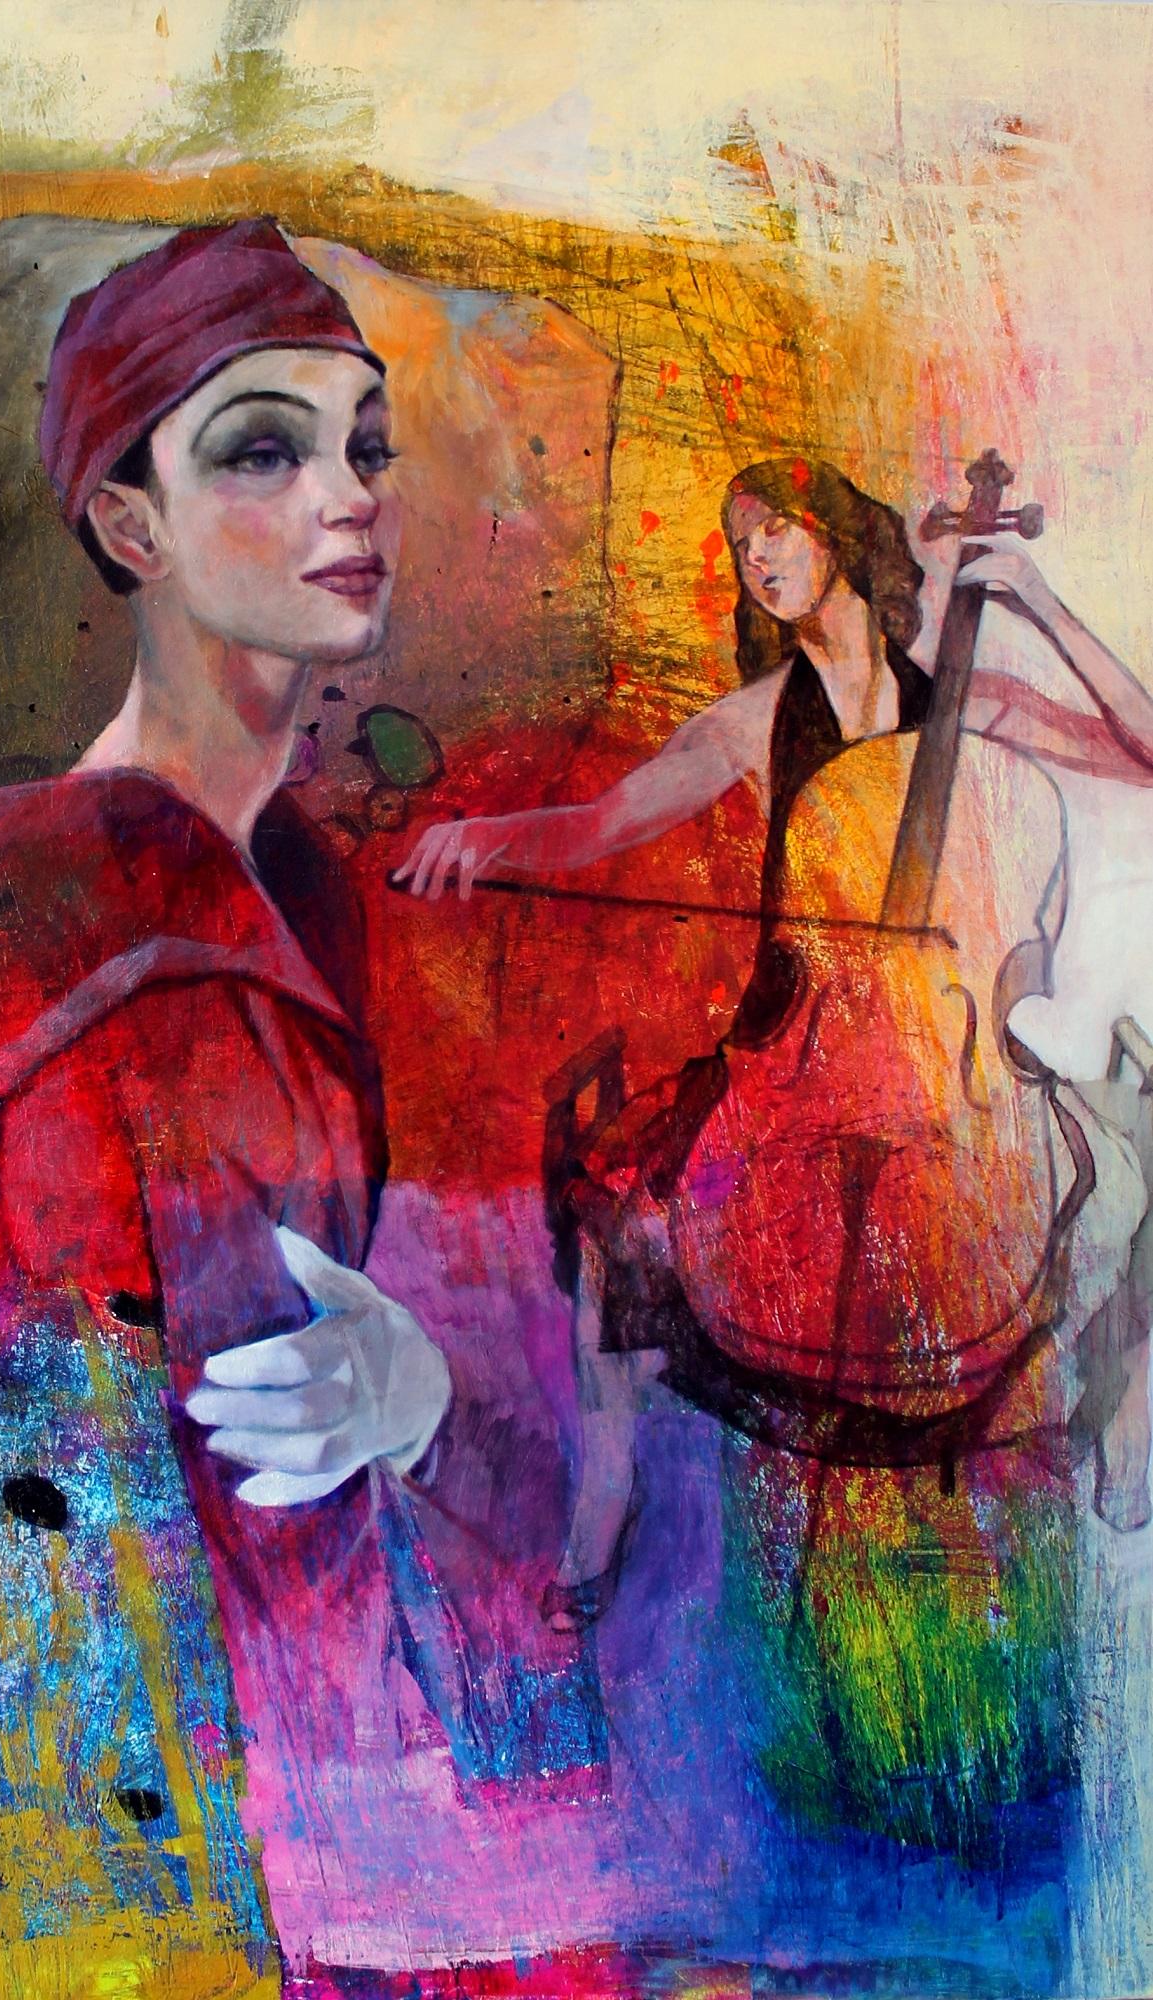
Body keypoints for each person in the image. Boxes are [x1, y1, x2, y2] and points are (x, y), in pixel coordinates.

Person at [0, 219, 605, 1999]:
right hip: (142, 1875)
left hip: (407, 1834)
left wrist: (418, 1399)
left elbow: (514, 1417)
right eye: (262, 448)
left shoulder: (347, 914)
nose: (348, 496)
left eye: (365, 448)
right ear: (128, 525)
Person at [396, 456, 1153, 1588]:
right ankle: (606, 1490)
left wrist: (1036, 602)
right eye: (741, 538)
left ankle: (1129, 1417)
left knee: (1133, 1177)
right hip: (801, 1061)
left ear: (838, 536)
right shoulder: (753, 722)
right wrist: (486, 836)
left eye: (776, 528)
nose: (755, 555)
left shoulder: (971, 701)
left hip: (958, 1071)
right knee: (616, 1238)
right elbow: (600, 823)